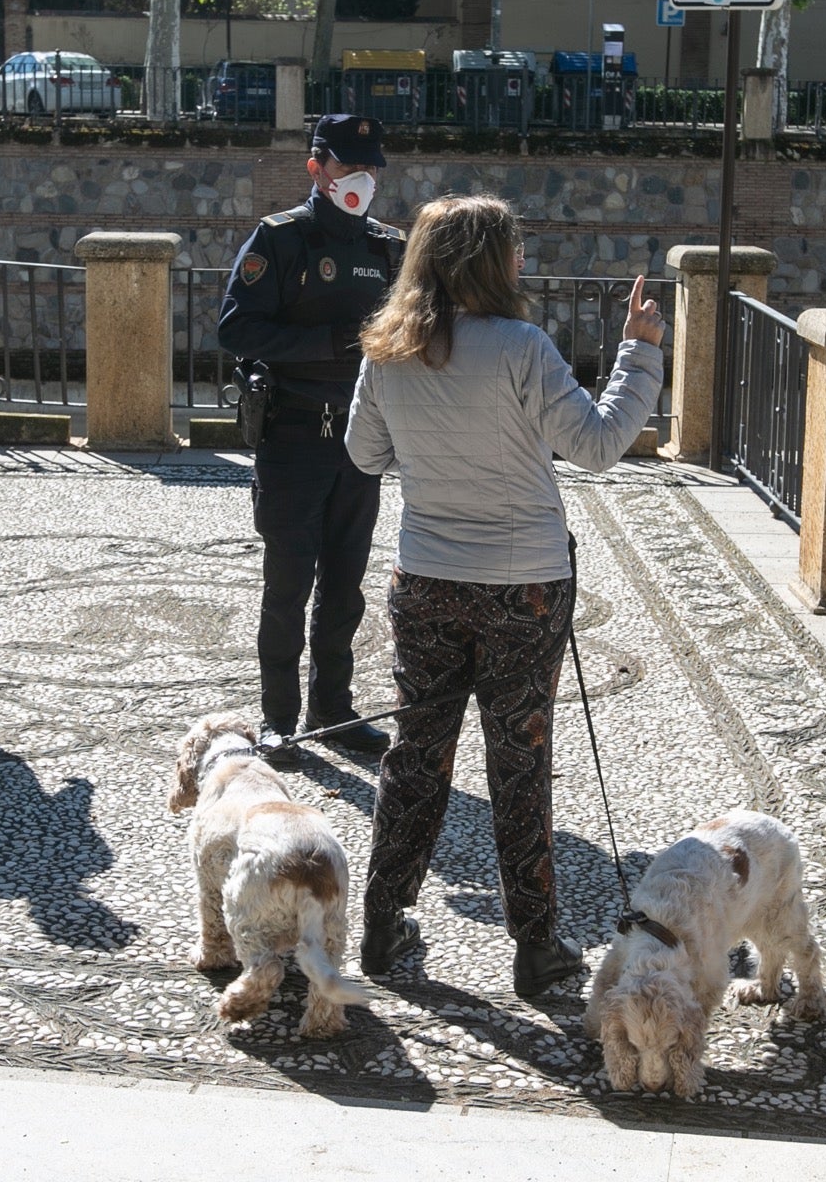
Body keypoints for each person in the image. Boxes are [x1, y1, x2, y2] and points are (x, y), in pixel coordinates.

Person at [344, 194, 667, 997]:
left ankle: (382, 927)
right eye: (515, 250)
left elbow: (362, 453)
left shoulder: (386, 349)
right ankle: (535, 946)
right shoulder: (522, 347)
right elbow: (596, 446)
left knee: (417, 753)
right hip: (522, 585)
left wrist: (433, 455)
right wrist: (639, 351)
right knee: (518, 761)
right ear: (492, 262)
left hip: (424, 579)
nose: (523, 262)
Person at [218, 114, 405, 763]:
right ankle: (278, 719)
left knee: (347, 586)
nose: (360, 177)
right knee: (288, 584)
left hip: (358, 442)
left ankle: (334, 708)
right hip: (293, 439)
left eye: (369, 166)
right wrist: (327, 344)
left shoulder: (388, 248)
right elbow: (236, 330)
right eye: (346, 165)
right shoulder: (281, 239)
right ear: (315, 167)